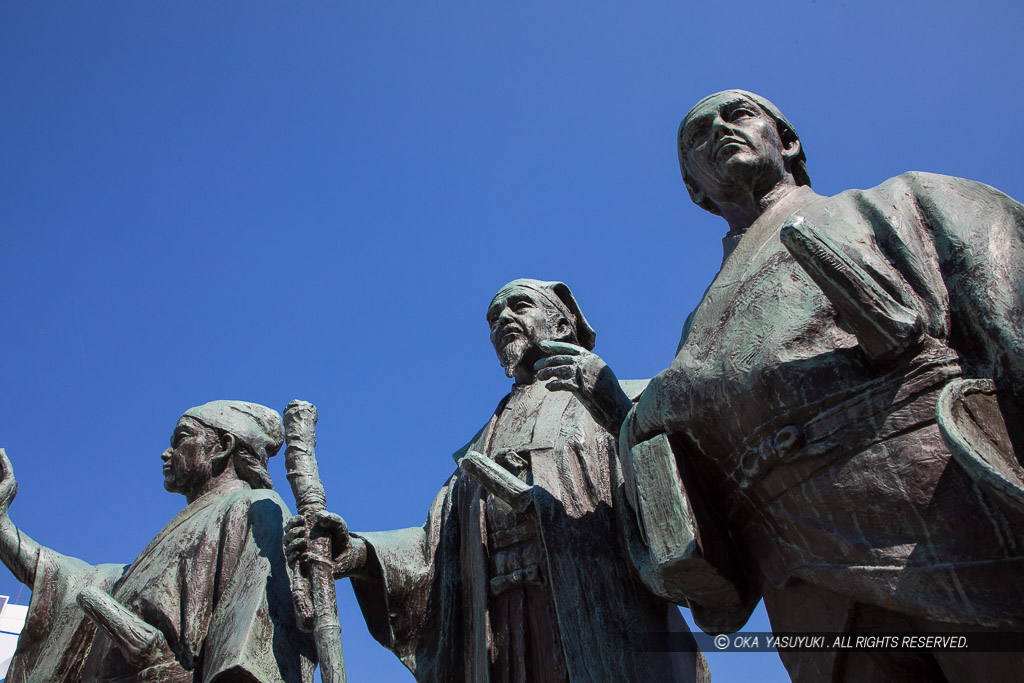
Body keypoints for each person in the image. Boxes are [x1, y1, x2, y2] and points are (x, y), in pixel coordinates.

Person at [621, 89, 1024, 681]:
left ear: (787, 140)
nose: (718, 131)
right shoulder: (698, 328)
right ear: (696, 191)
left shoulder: (901, 202)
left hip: (944, 518)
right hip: (807, 587)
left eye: (737, 114)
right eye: (697, 136)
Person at [286, 279, 708, 683]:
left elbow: (681, 499)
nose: (502, 318)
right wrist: (358, 552)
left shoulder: (625, 395)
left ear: (562, 324)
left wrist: (618, 416)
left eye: (518, 305)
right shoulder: (480, 443)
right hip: (498, 634)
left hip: (599, 618)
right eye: (492, 317)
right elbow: (434, 550)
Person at [0, 401, 316, 683]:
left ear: (222, 446)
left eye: (180, 439)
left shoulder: (255, 508)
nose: (166, 453)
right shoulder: (159, 550)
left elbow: (254, 647)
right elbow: (67, 579)